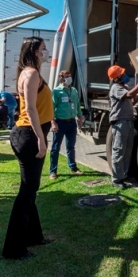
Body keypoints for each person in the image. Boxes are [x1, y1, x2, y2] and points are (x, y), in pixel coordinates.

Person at [2, 37, 54, 260]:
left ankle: (34, 236)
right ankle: (14, 249)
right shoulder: (31, 73)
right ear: (33, 51)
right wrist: (41, 139)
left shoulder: (29, 72)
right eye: (43, 49)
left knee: (30, 189)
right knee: (27, 192)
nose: (46, 52)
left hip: (28, 134)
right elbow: (31, 109)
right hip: (29, 135)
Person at [107, 65, 138, 188]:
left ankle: (124, 175)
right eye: (122, 74)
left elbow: (133, 101)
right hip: (120, 122)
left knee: (127, 150)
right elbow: (130, 95)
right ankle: (116, 179)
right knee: (119, 150)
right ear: (117, 78)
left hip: (128, 120)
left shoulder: (123, 87)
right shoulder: (116, 88)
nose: (125, 75)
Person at [49, 70, 84, 180]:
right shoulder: (56, 91)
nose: (69, 78)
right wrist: (53, 122)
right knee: (55, 147)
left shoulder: (73, 90)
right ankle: (53, 171)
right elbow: (52, 108)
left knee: (71, 146)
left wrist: (79, 116)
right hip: (60, 122)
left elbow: (77, 104)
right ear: (62, 78)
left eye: (70, 76)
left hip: (71, 122)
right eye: (67, 76)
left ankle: (73, 167)